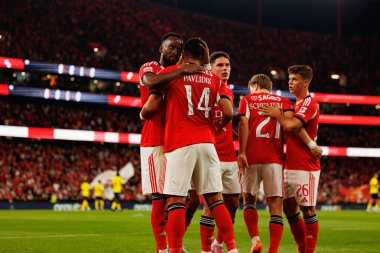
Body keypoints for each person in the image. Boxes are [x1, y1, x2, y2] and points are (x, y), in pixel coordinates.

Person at [144, 37, 238, 253]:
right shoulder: (214, 80)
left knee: (176, 200)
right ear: (204, 57)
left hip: (180, 142)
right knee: (215, 198)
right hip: (207, 143)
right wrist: (214, 127)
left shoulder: (172, 75)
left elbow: (151, 92)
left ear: (184, 55)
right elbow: (226, 112)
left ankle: (175, 250)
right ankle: (232, 249)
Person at [139, 32, 204, 253]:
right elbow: (149, 82)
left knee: (188, 198)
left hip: (180, 140)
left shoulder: (183, 73)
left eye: (179, 48)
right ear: (161, 48)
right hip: (156, 139)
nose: (175, 51)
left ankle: (175, 241)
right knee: (160, 198)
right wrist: (182, 69)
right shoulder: (151, 66)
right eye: (171, 47)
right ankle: (163, 249)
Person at [262, 65, 321, 253]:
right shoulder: (296, 104)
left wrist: (278, 115)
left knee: (307, 210)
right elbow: (295, 129)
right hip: (290, 165)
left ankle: (307, 251)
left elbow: (291, 125)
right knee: (289, 208)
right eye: (289, 79)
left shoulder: (309, 103)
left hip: (306, 166)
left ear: (305, 82)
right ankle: (302, 247)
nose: (290, 82)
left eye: (294, 79)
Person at [196, 51, 240, 253]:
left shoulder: (227, 90)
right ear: (210, 67)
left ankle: (217, 243)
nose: (225, 69)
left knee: (232, 203)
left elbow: (227, 117)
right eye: (220, 65)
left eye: (228, 65)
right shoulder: (203, 86)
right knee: (211, 206)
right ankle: (206, 249)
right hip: (211, 155)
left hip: (230, 156)